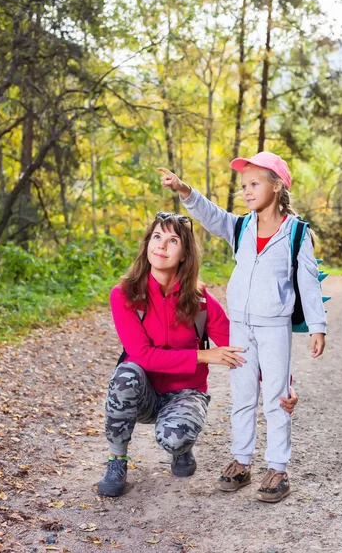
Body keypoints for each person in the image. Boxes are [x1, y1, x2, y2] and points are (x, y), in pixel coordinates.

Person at [158, 151, 326, 503]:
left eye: (254, 183)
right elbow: (210, 215)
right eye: (243, 186)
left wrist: (317, 327)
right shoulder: (242, 226)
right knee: (243, 395)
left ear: (277, 186)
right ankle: (241, 460)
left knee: (278, 395)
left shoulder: (297, 233)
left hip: (274, 325)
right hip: (241, 325)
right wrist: (184, 190)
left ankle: (278, 467)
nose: (247, 191)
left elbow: (309, 284)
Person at [98, 211, 298, 497]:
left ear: (184, 254)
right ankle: (117, 460)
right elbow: (141, 355)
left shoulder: (200, 300)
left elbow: (242, 347)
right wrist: (203, 356)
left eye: (172, 240)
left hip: (186, 394)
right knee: (126, 373)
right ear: (147, 245)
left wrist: (285, 385)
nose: (161, 246)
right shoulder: (125, 294)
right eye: (156, 237)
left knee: (175, 438)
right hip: (144, 393)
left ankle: (182, 450)